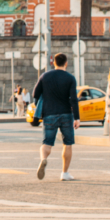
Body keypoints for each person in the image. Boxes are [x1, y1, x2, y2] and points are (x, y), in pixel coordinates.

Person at [33, 52, 80, 182]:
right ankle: (64, 173)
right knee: (68, 144)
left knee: (47, 143)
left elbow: (35, 94)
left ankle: (43, 159)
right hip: (66, 114)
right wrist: (77, 118)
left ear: (53, 62)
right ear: (66, 63)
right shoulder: (70, 78)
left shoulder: (45, 76)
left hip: (49, 114)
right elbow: (73, 100)